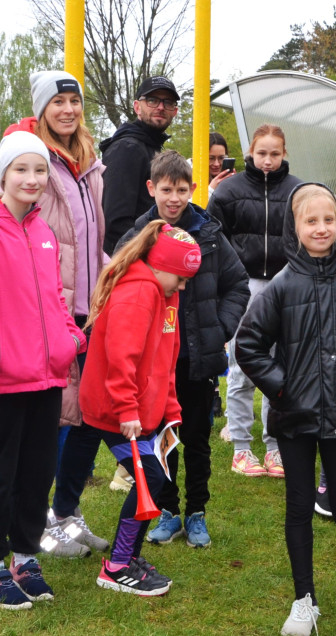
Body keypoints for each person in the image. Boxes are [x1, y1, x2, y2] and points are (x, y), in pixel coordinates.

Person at [236, 183, 336, 636]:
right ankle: (303, 600)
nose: (321, 228)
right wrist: (282, 388)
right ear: (296, 227)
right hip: (294, 419)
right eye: (311, 221)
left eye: (329, 220)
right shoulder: (281, 286)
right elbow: (248, 344)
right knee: (299, 507)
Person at [0, 131, 87, 609]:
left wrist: (68, 340)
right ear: (3, 174)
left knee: (37, 474)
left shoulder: (43, 231)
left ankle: (24, 556)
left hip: (49, 374)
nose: (32, 179)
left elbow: (56, 295)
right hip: (4, 379)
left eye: (39, 171)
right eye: (22, 170)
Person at [109, 151, 249, 548]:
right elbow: (116, 283)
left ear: (193, 190)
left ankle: (197, 512)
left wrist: (219, 327)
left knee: (198, 440)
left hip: (197, 359)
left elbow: (237, 284)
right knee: (161, 440)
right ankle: (168, 510)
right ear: (152, 188)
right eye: (166, 189)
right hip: (155, 363)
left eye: (182, 190)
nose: (174, 198)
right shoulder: (139, 235)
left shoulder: (209, 234)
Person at [16, 70, 110, 557]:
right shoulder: (33, 159)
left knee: (88, 415)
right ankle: (34, 524)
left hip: (90, 308)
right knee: (54, 418)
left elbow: (93, 238)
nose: (68, 110)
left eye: (74, 100)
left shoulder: (89, 162)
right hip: (50, 307)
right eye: (58, 102)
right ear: (43, 109)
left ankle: (66, 512)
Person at [80, 220, 202, 595]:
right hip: (113, 410)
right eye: (180, 278)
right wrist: (128, 410)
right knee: (149, 477)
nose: (182, 287)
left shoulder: (166, 294)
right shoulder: (138, 293)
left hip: (139, 408)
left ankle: (126, 557)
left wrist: (170, 408)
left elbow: (166, 359)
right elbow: (122, 358)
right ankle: (116, 566)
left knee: (155, 476)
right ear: (160, 265)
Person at [207, 123, 304, 478]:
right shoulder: (228, 191)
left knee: (280, 365)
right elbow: (215, 238)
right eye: (261, 153)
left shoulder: (298, 191)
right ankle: (242, 447)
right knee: (242, 366)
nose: (267, 160)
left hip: (284, 284)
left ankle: (275, 445)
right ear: (250, 152)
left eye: (274, 154)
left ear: (284, 154)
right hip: (243, 285)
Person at [100, 75, 180, 253]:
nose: (160, 107)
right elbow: (115, 221)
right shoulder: (128, 148)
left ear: (175, 111)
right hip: (131, 260)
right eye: (152, 100)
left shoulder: (150, 146)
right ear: (137, 107)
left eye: (168, 102)